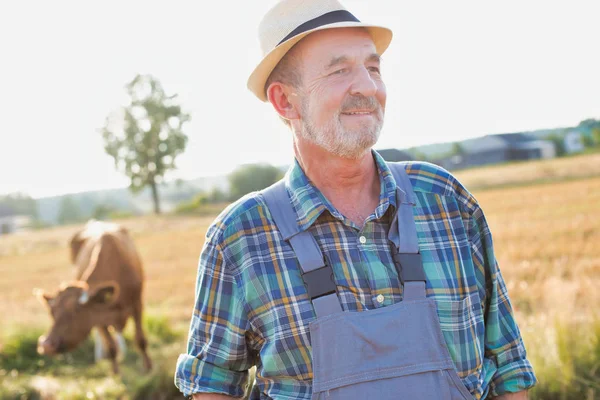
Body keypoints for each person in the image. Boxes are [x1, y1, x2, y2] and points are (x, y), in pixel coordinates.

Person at [174, 0, 537, 398]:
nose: (367, 86)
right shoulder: (240, 237)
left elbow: (508, 365)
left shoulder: (445, 200)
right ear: (285, 101)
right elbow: (211, 385)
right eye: (339, 70)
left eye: (373, 67)